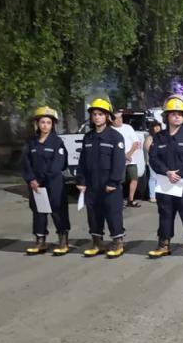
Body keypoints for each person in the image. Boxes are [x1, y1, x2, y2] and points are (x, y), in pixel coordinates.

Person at [147, 95, 183, 260]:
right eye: (173, 113)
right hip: (166, 183)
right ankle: (163, 244)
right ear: (167, 117)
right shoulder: (159, 137)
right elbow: (153, 158)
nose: (177, 116)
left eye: (180, 113)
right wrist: (167, 172)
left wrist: (179, 174)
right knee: (165, 213)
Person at [76, 98, 127, 258]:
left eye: (100, 114)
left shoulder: (115, 137)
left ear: (107, 117)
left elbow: (119, 163)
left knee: (113, 214)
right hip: (92, 184)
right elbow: (82, 161)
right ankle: (97, 243)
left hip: (109, 184)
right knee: (93, 214)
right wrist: (81, 180)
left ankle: (117, 243)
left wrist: (113, 181)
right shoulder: (88, 137)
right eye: (94, 114)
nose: (97, 117)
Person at [22, 106, 71, 256]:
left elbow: (59, 164)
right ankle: (40, 240)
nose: (45, 125)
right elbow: (26, 162)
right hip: (35, 184)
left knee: (57, 210)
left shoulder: (57, 142)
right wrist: (31, 179)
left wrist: (41, 179)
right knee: (38, 212)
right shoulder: (31, 142)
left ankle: (63, 239)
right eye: (42, 122)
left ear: (52, 125)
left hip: (53, 183)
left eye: (48, 123)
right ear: (37, 124)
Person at [112, 110, 143, 208]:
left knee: (134, 178)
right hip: (118, 160)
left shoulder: (128, 127)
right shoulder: (111, 130)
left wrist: (128, 154)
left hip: (131, 159)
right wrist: (122, 156)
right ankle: (119, 200)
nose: (119, 120)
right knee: (119, 180)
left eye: (120, 118)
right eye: (117, 118)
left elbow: (135, 143)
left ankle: (130, 199)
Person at [144, 121, 162, 203]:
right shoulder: (149, 138)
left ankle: (159, 195)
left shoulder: (162, 137)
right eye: (155, 126)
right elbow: (148, 149)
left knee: (160, 178)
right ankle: (152, 196)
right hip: (152, 161)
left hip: (162, 161)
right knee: (153, 177)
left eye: (158, 126)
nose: (157, 128)